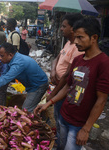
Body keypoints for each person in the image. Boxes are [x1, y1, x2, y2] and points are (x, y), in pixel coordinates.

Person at [34, 17, 109, 150]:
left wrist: (86, 129)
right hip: (64, 115)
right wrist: (49, 103)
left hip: (79, 123)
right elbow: (68, 86)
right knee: (61, 145)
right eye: (76, 37)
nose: (76, 41)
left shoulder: (103, 63)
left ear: (94, 37)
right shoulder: (78, 59)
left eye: (80, 37)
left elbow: (101, 100)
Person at [0, 43, 48, 112]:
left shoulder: (18, 63)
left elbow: (4, 80)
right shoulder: (11, 61)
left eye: (2, 56)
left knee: (26, 110)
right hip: (32, 86)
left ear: (10, 55)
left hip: (38, 86)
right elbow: (4, 76)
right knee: (28, 108)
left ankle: (39, 124)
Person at [46, 13, 84, 148]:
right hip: (58, 87)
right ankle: (59, 142)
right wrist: (52, 69)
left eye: (64, 26)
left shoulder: (78, 48)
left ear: (73, 28)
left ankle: (61, 144)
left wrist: (53, 94)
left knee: (63, 121)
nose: (61, 29)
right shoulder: (68, 43)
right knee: (58, 119)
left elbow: (68, 76)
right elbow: (57, 57)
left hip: (64, 90)